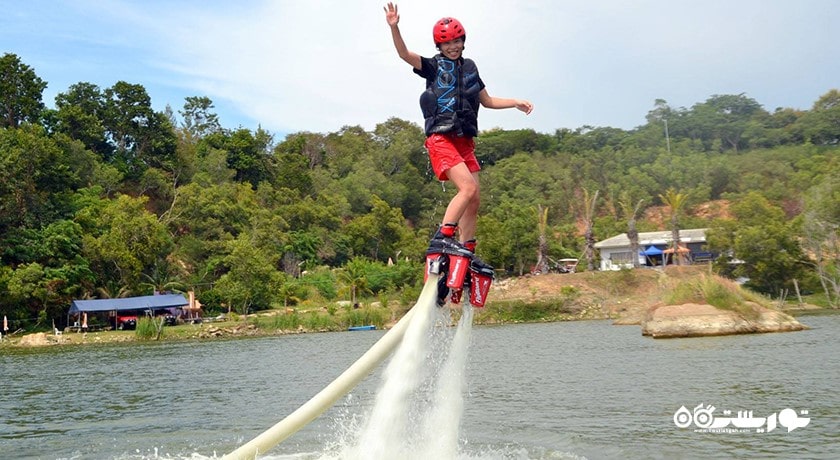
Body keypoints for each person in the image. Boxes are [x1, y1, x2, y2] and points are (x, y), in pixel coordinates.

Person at [384, 2, 533, 259]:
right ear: (439, 47)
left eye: (456, 41)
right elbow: (404, 54)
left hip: (464, 140)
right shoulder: (433, 66)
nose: (452, 47)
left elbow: (487, 101)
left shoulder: (471, 68)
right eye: (446, 43)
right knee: (467, 189)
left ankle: (466, 250)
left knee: (474, 198)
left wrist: (515, 102)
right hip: (441, 137)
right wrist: (395, 28)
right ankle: (444, 238)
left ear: (463, 41)